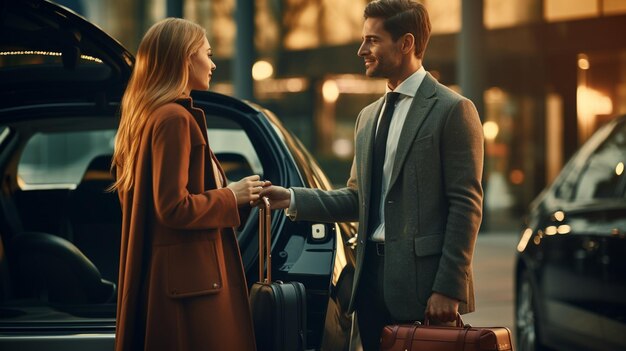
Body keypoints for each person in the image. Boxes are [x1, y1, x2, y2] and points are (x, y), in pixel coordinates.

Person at [259, 1, 484, 350]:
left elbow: (466, 206)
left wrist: (448, 288)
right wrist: (291, 197)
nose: (362, 50)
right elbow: (357, 199)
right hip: (367, 285)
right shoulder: (367, 117)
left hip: (425, 289)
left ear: (406, 43)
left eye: (372, 40)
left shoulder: (453, 110)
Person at [111, 18, 261, 351]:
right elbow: (173, 208)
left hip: (178, 282)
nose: (213, 63)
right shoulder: (174, 118)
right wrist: (230, 196)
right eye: (207, 53)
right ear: (185, 58)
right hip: (191, 289)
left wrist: (227, 190)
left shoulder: (151, 116)